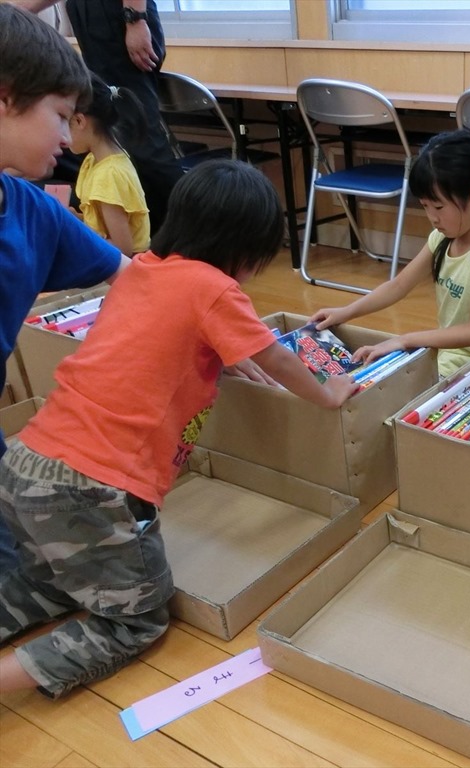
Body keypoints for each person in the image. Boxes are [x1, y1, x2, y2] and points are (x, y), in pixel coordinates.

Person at [0, 159, 361, 698]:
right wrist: (328, 394)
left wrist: (220, 356)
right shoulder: (215, 289)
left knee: (49, 585)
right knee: (135, 622)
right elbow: (279, 359)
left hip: (25, 460)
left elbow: (159, 342)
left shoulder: (143, 269)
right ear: (243, 249)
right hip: (92, 487)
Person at [0, 4, 132, 571]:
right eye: (59, 115)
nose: (65, 134)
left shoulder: (32, 209)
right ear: (5, 99)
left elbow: (132, 275)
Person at [311, 128, 470, 378]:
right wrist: (345, 312)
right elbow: (398, 286)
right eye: (425, 206)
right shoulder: (442, 239)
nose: (432, 217)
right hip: (450, 356)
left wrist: (405, 340)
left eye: (438, 206)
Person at [18, 0, 184, 232]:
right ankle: (140, 231)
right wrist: (14, 12)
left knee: (140, 142)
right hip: (88, 12)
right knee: (110, 131)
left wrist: (134, 17)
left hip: (117, 13)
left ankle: (189, 228)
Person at [69, 71, 150, 255]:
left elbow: (122, 249)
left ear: (79, 120)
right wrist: (77, 220)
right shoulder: (97, 160)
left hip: (123, 266)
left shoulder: (109, 175)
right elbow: (102, 229)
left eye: (63, 122)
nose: (62, 135)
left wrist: (75, 232)